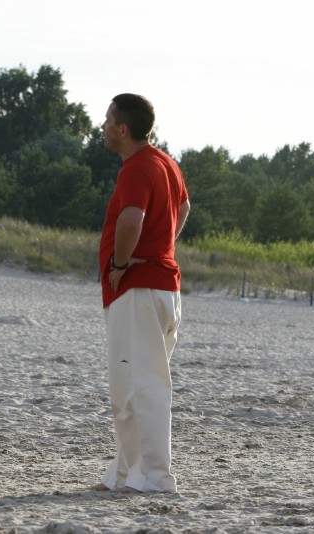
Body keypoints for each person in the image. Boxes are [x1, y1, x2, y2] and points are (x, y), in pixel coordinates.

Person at [94, 94, 190, 494]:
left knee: (140, 386)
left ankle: (153, 478)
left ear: (123, 129)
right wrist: (160, 248)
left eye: (107, 120)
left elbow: (132, 218)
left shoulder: (136, 168)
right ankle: (124, 475)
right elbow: (184, 207)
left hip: (140, 290)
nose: (102, 126)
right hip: (161, 289)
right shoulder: (165, 162)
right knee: (130, 384)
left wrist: (121, 263)